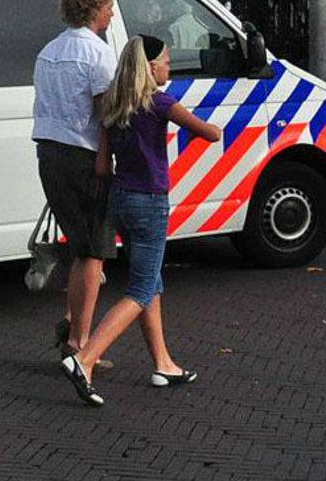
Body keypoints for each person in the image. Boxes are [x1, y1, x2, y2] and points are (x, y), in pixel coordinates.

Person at [60, 35, 221, 407]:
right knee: (140, 290)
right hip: (149, 202)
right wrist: (215, 130)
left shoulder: (113, 106)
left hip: (120, 200)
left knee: (151, 282)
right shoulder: (159, 102)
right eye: (165, 61)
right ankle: (85, 360)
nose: (168, 67)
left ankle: (163, 364)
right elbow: (210, 133)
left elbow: (103, 167)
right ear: (150, 67)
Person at [32, 0, 118, 364]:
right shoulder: (97, 53)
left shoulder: (48, 51)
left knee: (79, 247)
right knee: (94, 251)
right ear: (95, 7)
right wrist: (106, 158)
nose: (111, 12)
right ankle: (80, 346)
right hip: (83, 156)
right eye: (109, 5)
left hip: (48, 155)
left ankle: (71, 323)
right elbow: (105, 113)